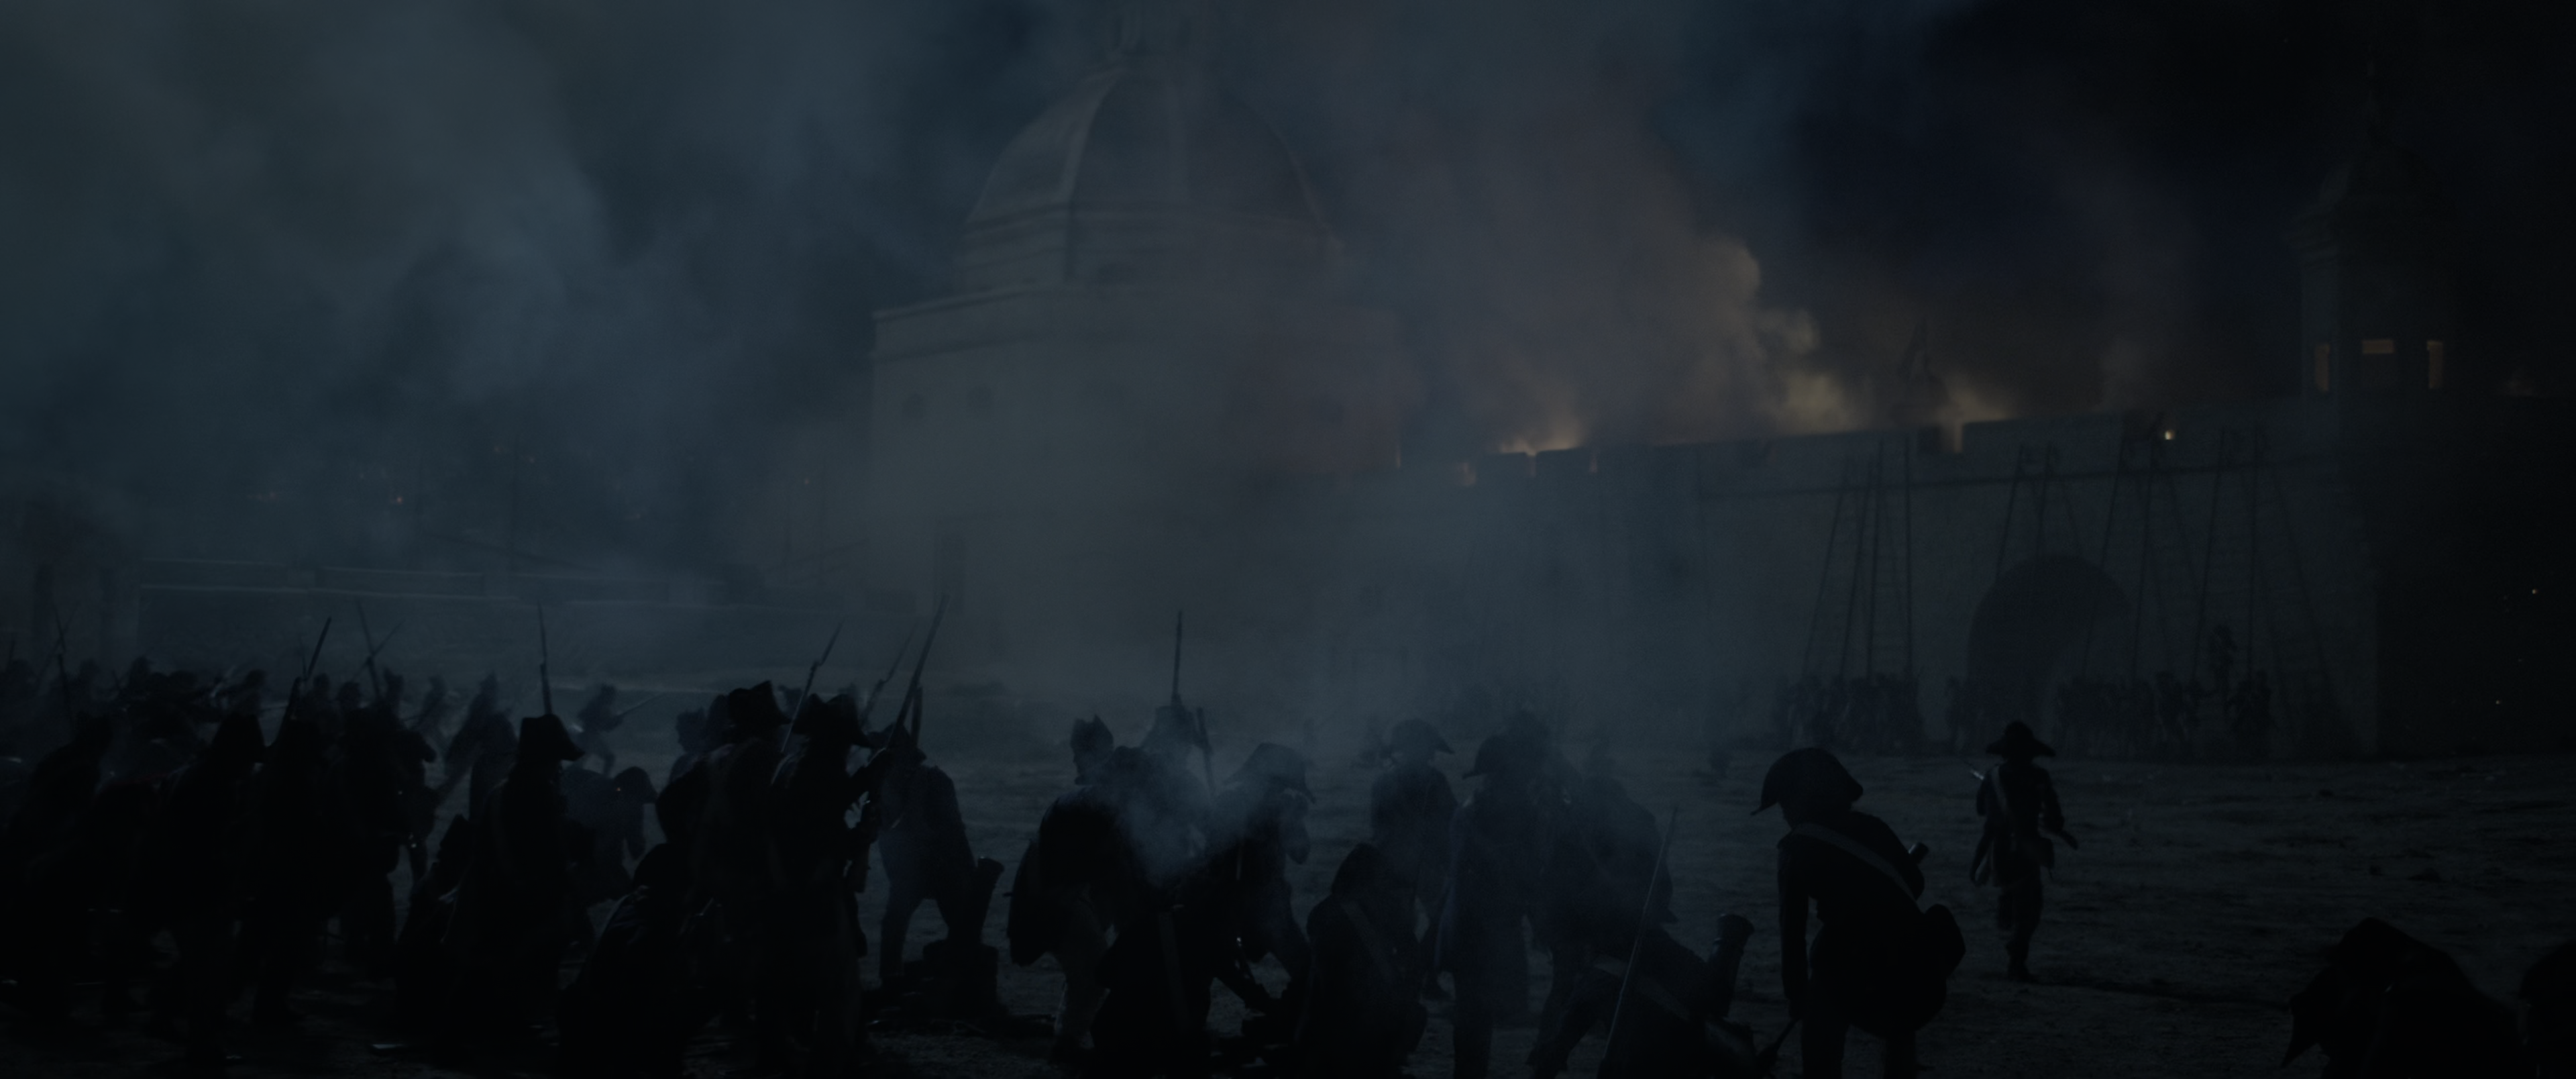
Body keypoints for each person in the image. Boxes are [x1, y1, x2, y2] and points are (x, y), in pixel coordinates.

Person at [1758, 748, 1944, 1079]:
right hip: (1912, 952)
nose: (1784, 814)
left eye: (1785, 805)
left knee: (1820, 1032)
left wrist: (1797, 994)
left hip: (1849, 957)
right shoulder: (1875, 827)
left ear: (1800, 801)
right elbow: (1913, 883)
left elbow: (1792, 929)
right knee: (1900, 1025)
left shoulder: (1795, 847)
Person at [1436, 734, 1554, 1079]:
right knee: (1476, 1016)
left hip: (1477, 925)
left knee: (1476, 1017)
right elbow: (1520, 873)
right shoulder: (1499, 813)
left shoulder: (1480, 807)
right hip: (1481, 928)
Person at [1293, 843, 1426, 1079]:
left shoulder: (1376, 911)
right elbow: (1331, 987)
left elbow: (1414, 958)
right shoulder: (1330, 916)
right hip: (1345, 1024)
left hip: (1364, 1020)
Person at [1971, 721, 2070, 982]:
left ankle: (2007, 900)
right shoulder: (2039, 777)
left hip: (1998, 849)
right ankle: (2016, 959)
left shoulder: (1993, 776)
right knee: (2031, 909)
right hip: (2026, 849)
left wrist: (1977, 859)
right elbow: (2054, 818)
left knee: (2016, 893)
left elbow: (1983, 812)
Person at [1367, 719, 1456, 994]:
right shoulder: (1434, 781)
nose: (1431, 754)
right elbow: (1449, 823)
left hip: (1401, 861)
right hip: (1420, 862)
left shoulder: (1385, 781)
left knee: (1408, 924)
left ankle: (1414, 976)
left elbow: (1377, 827)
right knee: (1431, 921)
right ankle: (1420, 975)